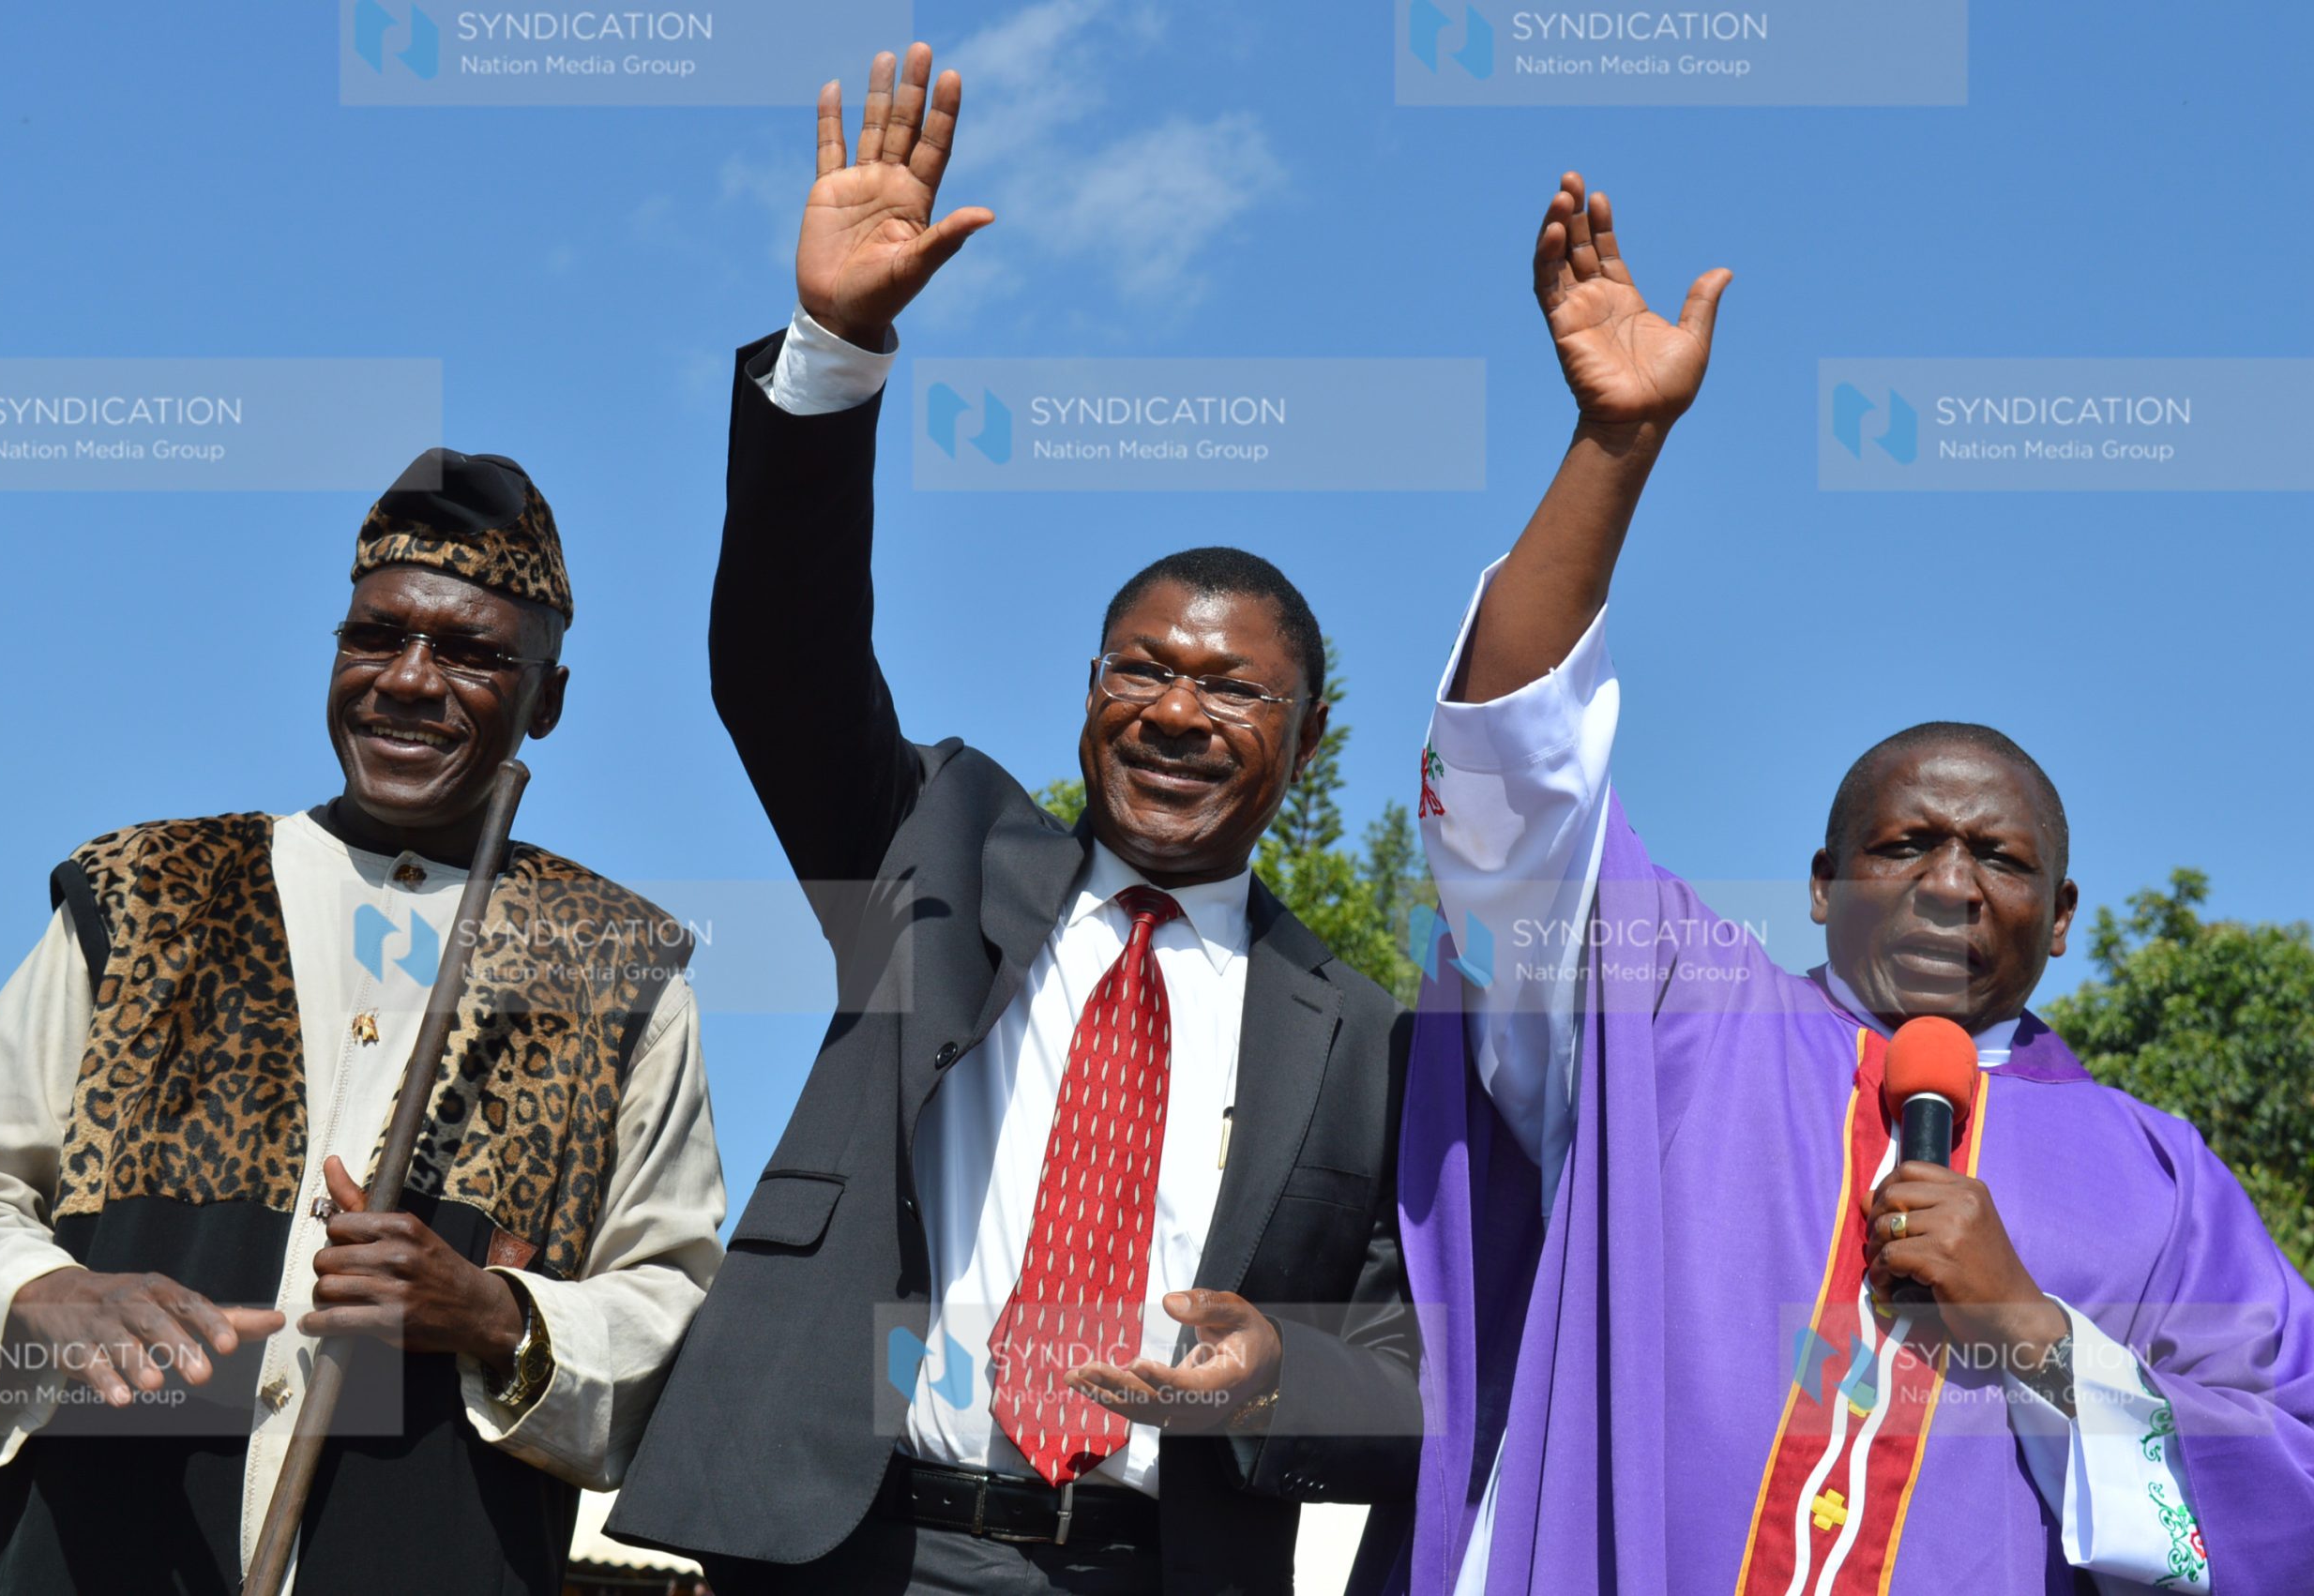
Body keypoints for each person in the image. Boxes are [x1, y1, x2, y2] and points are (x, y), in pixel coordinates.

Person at [1360, 172, 2314, 1595]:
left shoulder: (2160, 1178)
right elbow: (1509, 792)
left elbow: (2284, 1481)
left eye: (2000, 860)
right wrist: (1614, 449)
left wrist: (2039, 1335)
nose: (1949, 882)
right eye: (1902, 844)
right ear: (1819, 884)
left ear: (2060, 920)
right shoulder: (1672, 1013)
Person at [608, 42, 1421, 1596]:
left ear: (1308, 747)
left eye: (1234, 693)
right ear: (1089, 692)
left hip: (1145, 1561)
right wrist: (834, 352)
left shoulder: (1363, 1032)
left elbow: (1411, 1372)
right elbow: (780, 662)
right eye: (1143, 668)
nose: (1178, 709)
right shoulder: (941, 842)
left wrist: (1277, 1377)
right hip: (849, 1543)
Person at [0, 450, 727, 1595]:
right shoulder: (143, 892)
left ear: (548, 699)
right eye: (374, 636)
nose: (406, 678)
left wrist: (496, 1315)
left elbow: (674, 1305)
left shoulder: (611, 965)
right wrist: (46, 1292)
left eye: (472, 653)